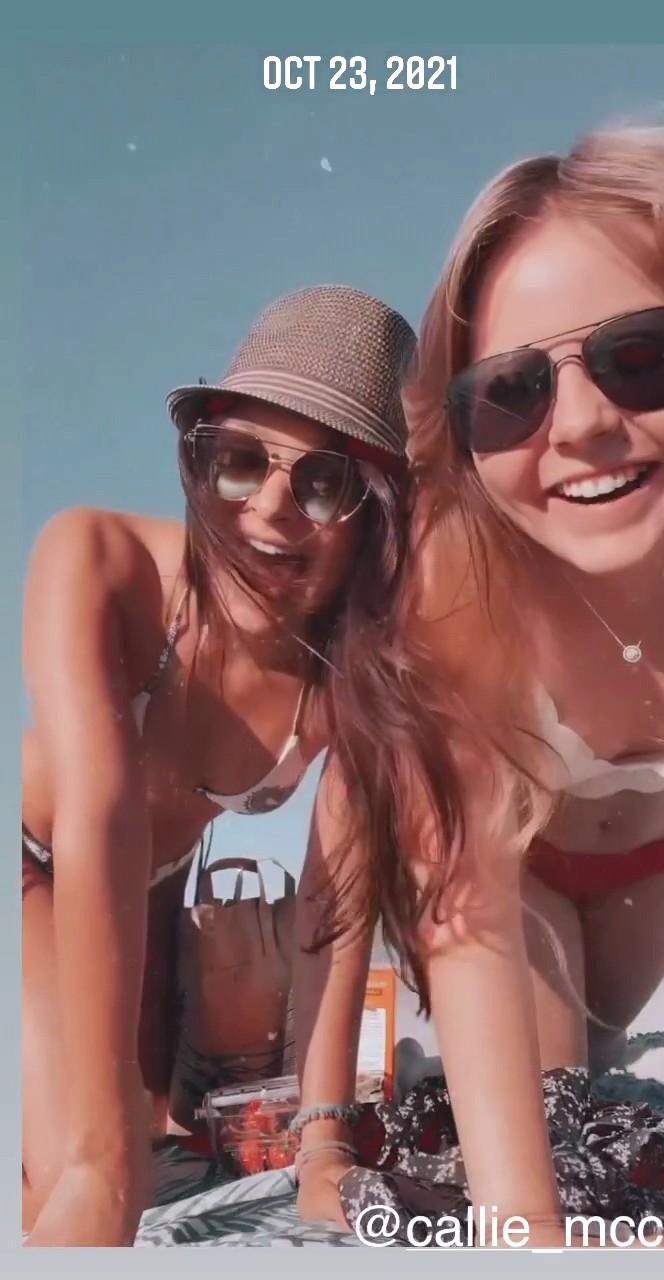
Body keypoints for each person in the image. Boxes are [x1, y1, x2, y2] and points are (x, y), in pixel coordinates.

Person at [293, 124, 664, 1247]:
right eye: (512, 393)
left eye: (645, 355)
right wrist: (326, 1143)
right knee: (550, 1120)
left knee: (604, 1081)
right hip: (520, 878)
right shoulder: (456, 580)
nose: (583, 425)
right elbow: (446, 899)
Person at [21, 284, 418, 1246]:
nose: (269, 508)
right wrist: (100, 1157)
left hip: (157, 890)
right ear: (199, 465)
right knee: (79, 1172)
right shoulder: (99, 560)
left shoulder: (352, 673)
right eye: (240, 461)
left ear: (375, 515)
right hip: (44, 867)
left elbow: (333, 910)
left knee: (165, 1138)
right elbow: (100, 813)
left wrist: (325, 1146)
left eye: (324, 481)